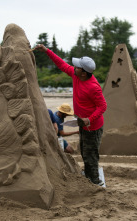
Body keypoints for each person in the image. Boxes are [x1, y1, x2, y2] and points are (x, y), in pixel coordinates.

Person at [36, 44, 107, 186]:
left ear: (84, 72)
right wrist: (46, 51)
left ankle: (95, 182)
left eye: (78, 66)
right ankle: (89, 176)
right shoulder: (76, 75)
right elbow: (61, 64)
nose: (74, 67)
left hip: (93, 128)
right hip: (82, 124)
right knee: (85, 152)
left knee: (90, 155)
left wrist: (89, 120)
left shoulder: (93, 87)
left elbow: (103, 106)